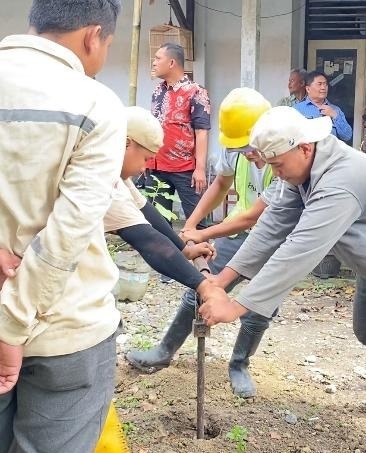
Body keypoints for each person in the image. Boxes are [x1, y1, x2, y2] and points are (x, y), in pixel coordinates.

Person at [0, 2, 202, 453]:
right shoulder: (94, 104)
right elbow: (67, 233)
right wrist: (11, 329)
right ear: (94, 36)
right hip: (65, 330)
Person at [199, 106, 366, 453]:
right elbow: (271, 228)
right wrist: (223, 279)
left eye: (277, 165)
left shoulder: (341, 179)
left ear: (304, 148)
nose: (274, 173)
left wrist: (237, 306)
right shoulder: (301, 174)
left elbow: (301, 247)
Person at [126, 88, 280, 399]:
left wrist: (205, 234)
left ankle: (239, 364)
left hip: (275, 239)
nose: (246, 152)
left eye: (251, 147)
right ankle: (165, 350)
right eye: (241, 147)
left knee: (260, 305)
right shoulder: (234, 145)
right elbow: (221, 184)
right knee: (200, 287)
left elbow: (254, 216)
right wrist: (193, 223)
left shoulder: (281, 155)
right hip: (237, 237)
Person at [105, 106, 227, 300]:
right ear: (126, 144)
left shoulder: (115, 173)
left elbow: (145, 210)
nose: (143, 168)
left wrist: (185, 249)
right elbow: (147, 240)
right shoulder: (101, 180)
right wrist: (203, 285)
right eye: (145, 159)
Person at [146, 42, 210, 227]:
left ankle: (203, 254)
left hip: (186, 169)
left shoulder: (196, 92)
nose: (154, 63)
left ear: (172, 62)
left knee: (197, 223)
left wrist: (200, 169)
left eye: (158, 58)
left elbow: (201, 131)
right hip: (157, 167)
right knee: (158, 226)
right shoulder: (158, 90)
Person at [294, 70, 352, 142]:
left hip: (330, 152)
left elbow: (347, 136)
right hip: (307, 151)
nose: (323, 87)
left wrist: (335, 116)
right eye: (319, 84)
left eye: (325, 84)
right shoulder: (297, 109)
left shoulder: (335, 110)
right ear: (308, 89)